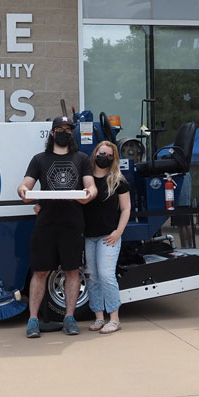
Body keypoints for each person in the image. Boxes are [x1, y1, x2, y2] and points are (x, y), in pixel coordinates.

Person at [17, 116, 96, 338]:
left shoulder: (82, 159)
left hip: (73, 223)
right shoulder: (39, 159)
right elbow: (26, 184)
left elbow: (91, 187)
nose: (64, 133)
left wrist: (89, 194)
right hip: (46, 223)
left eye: (68, 130)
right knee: (40, 271)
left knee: (72, 271)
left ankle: (69, 318)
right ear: (52, 133)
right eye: (60, 129)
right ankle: (33, 320)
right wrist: (23, 190)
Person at [83, 141, 131, 334]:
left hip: (108, 236)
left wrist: (118, 231)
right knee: (92, 277)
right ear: (95, 153)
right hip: (88, 236)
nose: (105, 157)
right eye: (102, 153)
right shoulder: (85, 179)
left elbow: (126, 208)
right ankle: (98, 318)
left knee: (106, 275)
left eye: (109, 155)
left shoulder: (118, 179)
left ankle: (114, 319)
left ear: (114, 158)